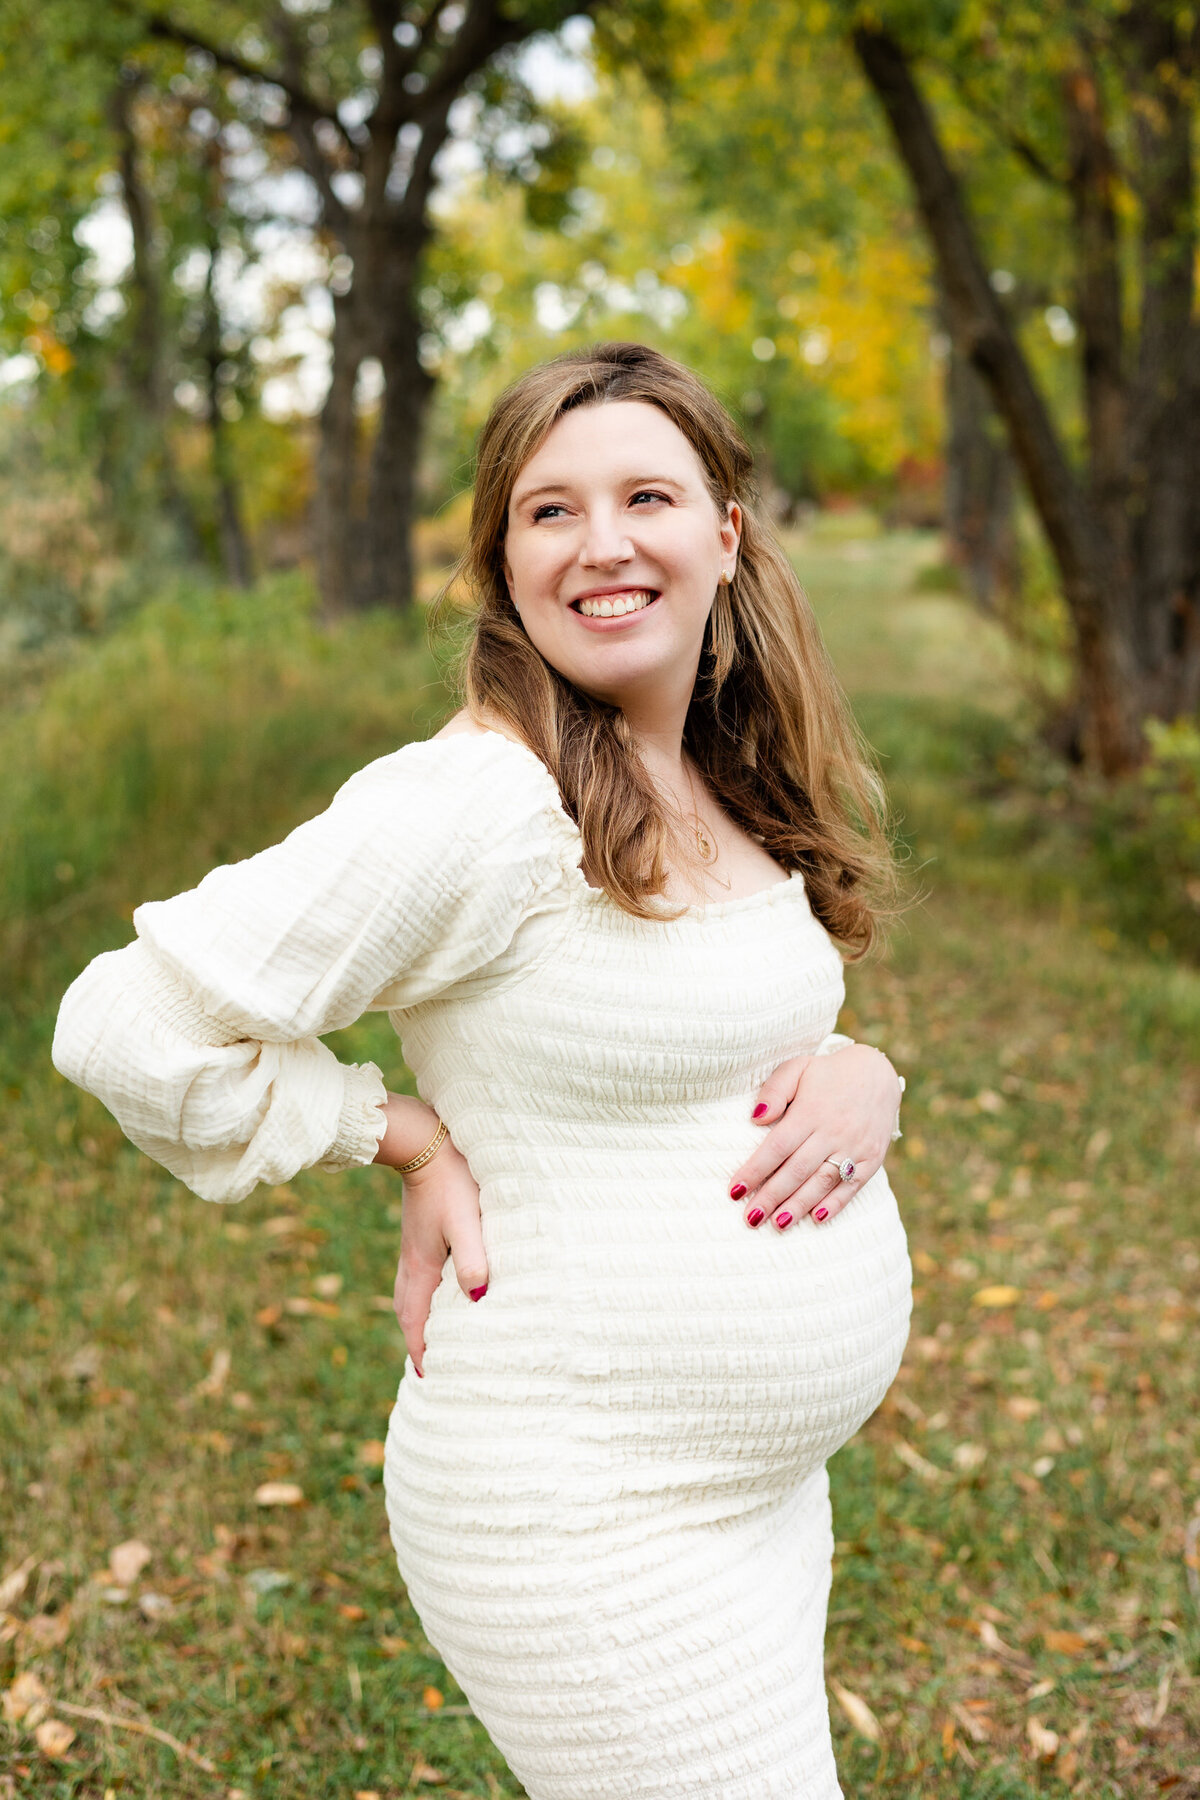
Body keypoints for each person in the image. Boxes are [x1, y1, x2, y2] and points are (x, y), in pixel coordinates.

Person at [53, 341, 912, 1799]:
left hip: (761, 1497)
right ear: (502, 560)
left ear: (725, 533)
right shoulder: (484, 802)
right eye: (549, 510)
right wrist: (392, 1130)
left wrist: (859, 1071)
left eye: (647, 494)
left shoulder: (718, 763)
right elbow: (120, 1021)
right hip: (581, 1507)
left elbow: (685, 1019)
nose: (603, 544)